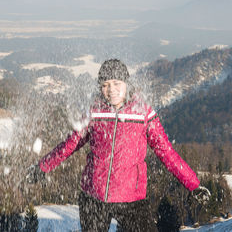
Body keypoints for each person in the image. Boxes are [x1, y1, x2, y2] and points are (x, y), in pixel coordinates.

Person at [38, 59, 206, 231]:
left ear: (126, 83)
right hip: (94, 197)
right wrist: (42, 167)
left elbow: (166, 152)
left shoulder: (143, 113)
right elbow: (70, 144)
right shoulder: (94, 111)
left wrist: (193, 185)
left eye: (116, 83)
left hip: (131, 198)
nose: (111, 90)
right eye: (105, 85)